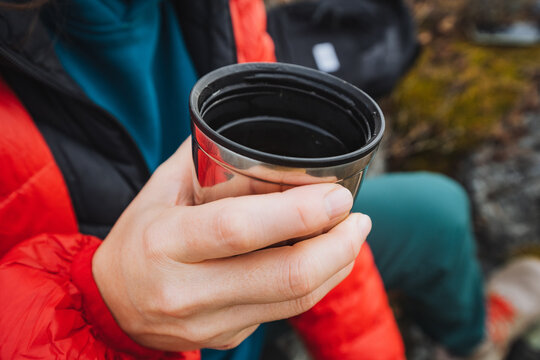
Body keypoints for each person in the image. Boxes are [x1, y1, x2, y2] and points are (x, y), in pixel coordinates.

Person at [0, 1, 539, 360]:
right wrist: (105, 309)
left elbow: (310, 209)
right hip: (100, 343)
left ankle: (474, 342)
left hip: (258, 292)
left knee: (437, 212)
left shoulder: (224, 8)